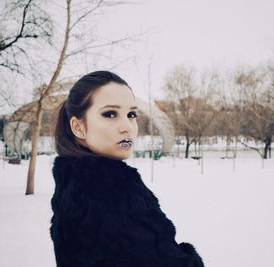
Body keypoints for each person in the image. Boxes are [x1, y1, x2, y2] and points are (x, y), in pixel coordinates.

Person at [50, 70, 204, 267]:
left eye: (131, 114)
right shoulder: (114, 193)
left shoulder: (71, 188)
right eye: (110, 114)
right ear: (78, 127)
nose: (127, 127)